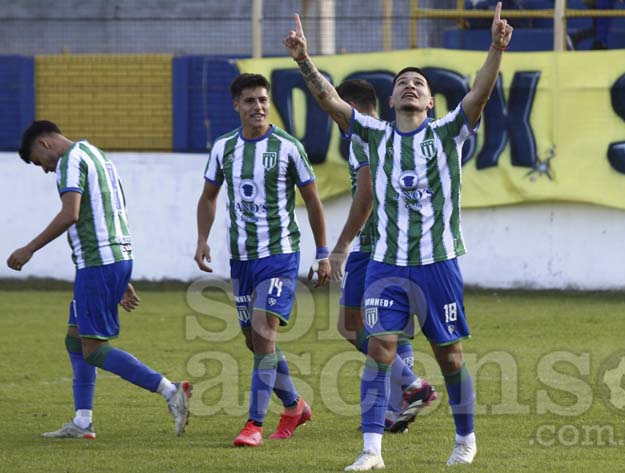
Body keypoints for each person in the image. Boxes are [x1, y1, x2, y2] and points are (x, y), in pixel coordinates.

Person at [284, 1, 512, 468]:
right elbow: (330, 100)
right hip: (386, 264)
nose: (410, 86)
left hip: (438, 263)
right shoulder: (373, 135)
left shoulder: (448, 133)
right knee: (380, 350)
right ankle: (372, 451)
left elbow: (480, 95)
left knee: (450, 358)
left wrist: (495, 48)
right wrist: (304, 60)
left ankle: (466, 440)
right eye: (402, 83)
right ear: (390, 102)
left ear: (430, 102)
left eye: (419, 84)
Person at [8, 120, 192, 440]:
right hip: (111, 259)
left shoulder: (68, 162)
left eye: (40, 163)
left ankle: (169, 389)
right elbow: (115, 208)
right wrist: (121, 273)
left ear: (45, 144)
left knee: (92, 349)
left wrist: (29, 249)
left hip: (98, 263)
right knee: (75, 340)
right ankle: (82, 422)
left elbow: (71, 213)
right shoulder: (97, 154)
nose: (45, 171)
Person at [194, 73, 330, 447]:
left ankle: (253, 424)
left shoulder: (288, 147)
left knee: (263, 331)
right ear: (236, 105)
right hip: (241, 259)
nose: (259, 107)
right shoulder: (223, 148)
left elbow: (313, 200)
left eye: (263, 100)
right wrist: (202, 239)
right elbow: (209, 196)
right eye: (251, 100)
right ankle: (294, 405)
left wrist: (322, 253)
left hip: (280, 255)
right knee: (254, 340)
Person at [332, 79, 436, 434]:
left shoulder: (364, 137)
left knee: (350, 326)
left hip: (372, 246)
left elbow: (366, 197)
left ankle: (411, 385)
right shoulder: (397, 133)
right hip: (403, 247)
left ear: (350, 108)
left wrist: (341, 245)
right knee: (393, 330)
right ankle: (399, 408)